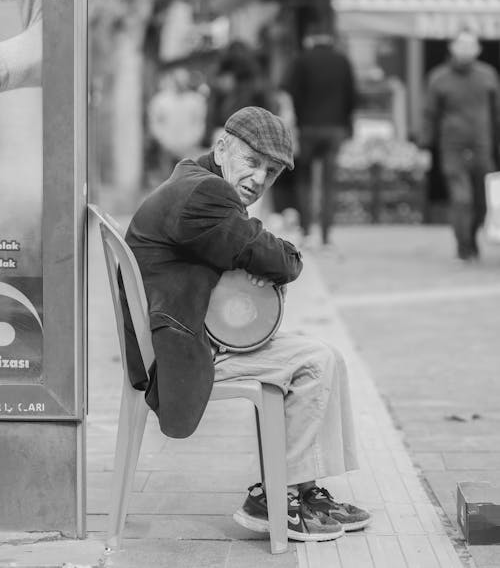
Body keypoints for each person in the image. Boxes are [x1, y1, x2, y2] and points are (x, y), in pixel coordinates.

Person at [122, 105, 370, 542]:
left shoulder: (192, 179)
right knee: (316, 362)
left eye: (271, 172)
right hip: (177, 355)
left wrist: (249, 255)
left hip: (187, 333)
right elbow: (284, 260)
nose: (259, 179)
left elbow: (253, 248)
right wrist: (260, 256)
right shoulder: (206, 196)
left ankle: (301, 490)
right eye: (252, 162)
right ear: (221, 148)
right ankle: (277, 497)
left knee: (323, 356)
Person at [421, 29, 500, 260]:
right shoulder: (439, 78)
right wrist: (426, 146)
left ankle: (473, 239)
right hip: (452, 146)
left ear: (478, 49)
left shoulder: (487, 75)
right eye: (461, 45)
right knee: (461, 198)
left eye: (470, 45)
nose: (465, 50)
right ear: (451, 47)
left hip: (482, 145)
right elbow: (429, 115)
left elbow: (497, 113)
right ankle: (463, 246)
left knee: (480, 201)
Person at [285, 27, 357, 246]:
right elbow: (352, 96)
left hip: (307, 127)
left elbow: (291, 92)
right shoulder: (342, 61)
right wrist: (346, 123)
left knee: (304, 179)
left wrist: (298, 118)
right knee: (328, 183)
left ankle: (307, 231)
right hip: (335, 128)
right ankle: (326, 235)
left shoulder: (302, 60)